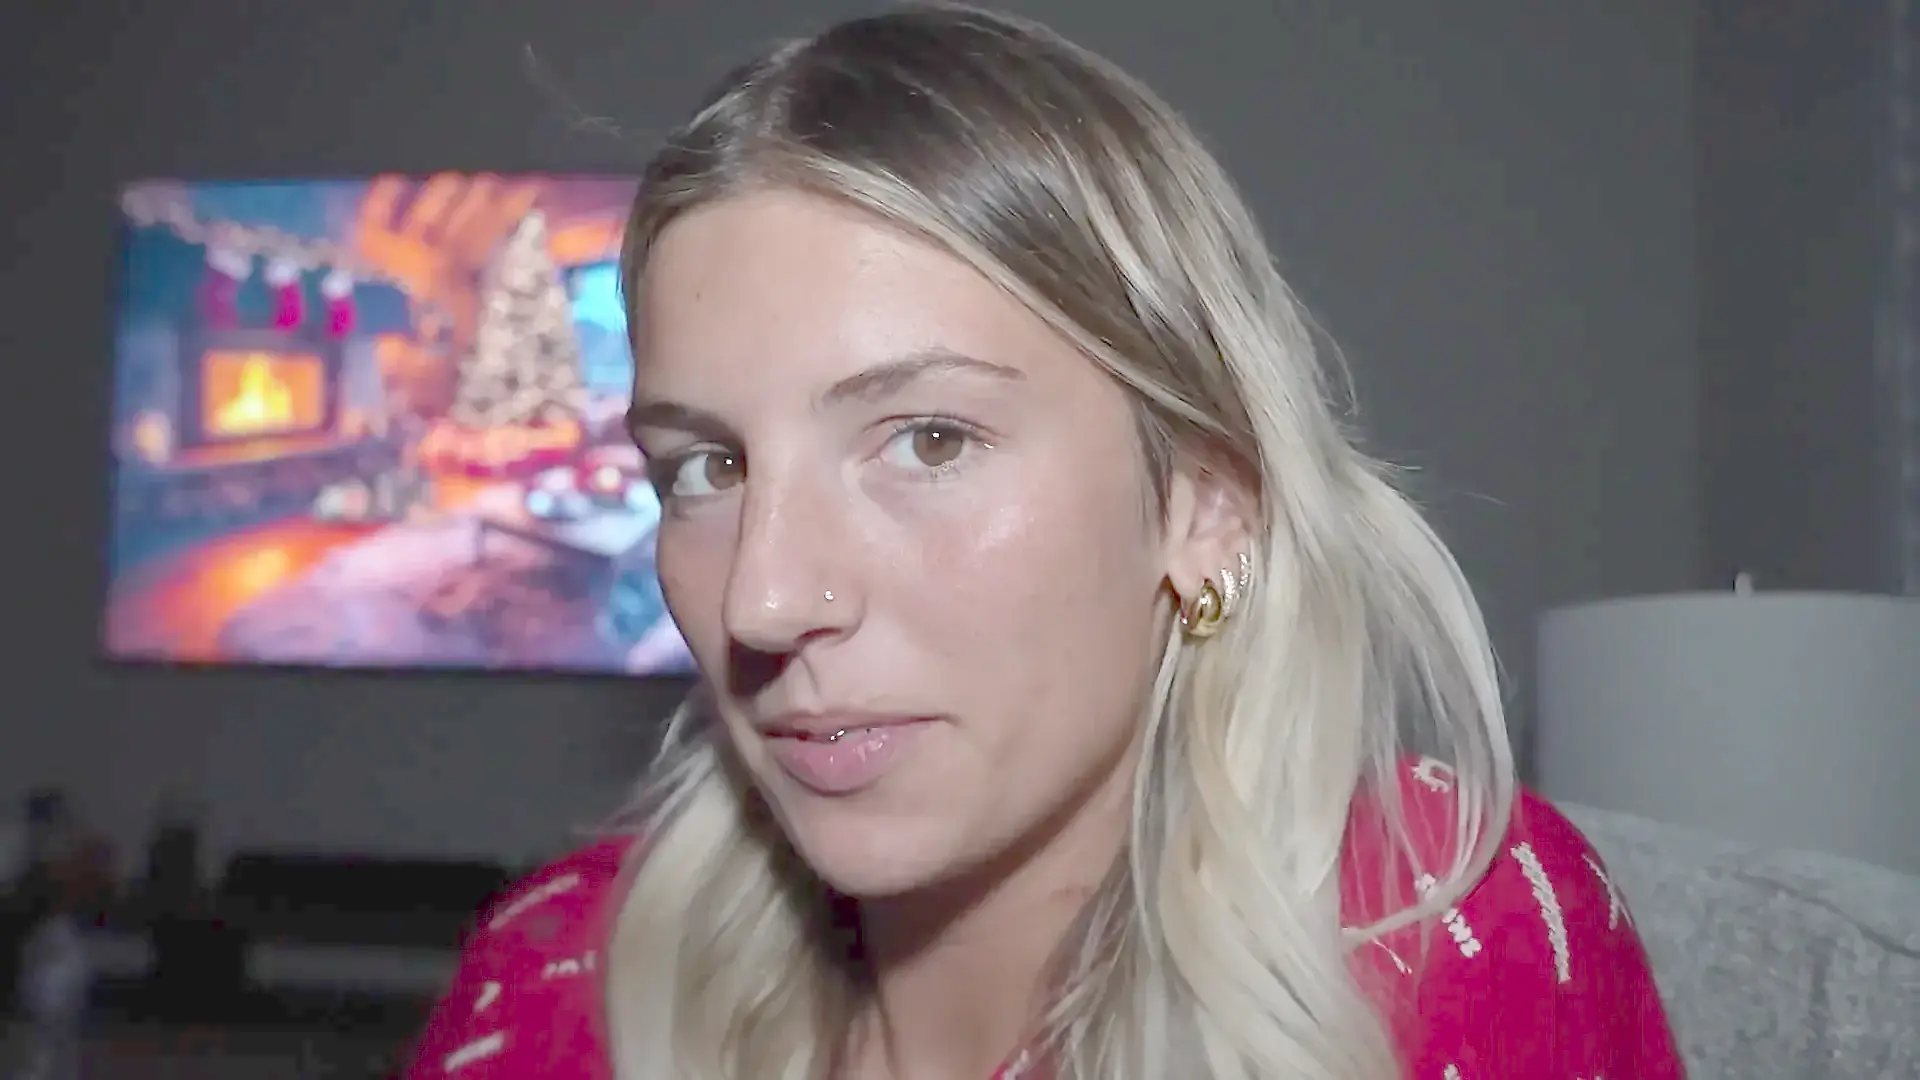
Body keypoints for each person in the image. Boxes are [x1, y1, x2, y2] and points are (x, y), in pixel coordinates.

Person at [404, 5, 1684, 1078]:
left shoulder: (1439, 936)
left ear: (1205, 504)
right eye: (709, 468)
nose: (764, 597)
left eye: (929, 441)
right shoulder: (554, 983)